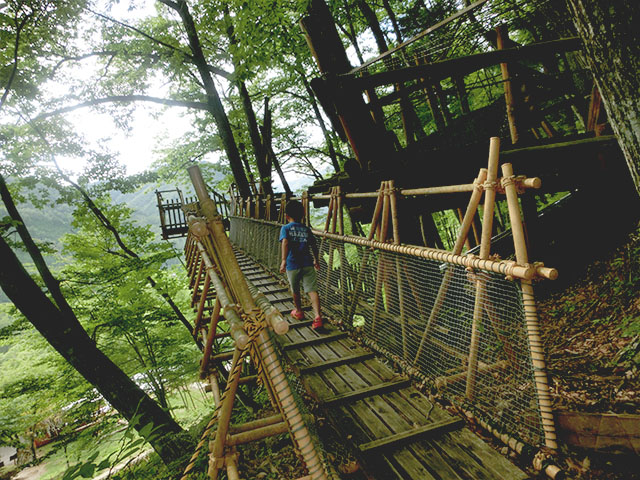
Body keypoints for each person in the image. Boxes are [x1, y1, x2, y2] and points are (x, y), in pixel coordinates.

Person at [279, 200, 324, 330]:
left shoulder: (285, 228)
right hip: (307, 263)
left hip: (292, 264)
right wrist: (316, 260)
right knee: (312, 290)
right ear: (302, 215)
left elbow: (285, 242)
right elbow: (314, 245)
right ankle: (317, 317)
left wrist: (283, 260)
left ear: (287, 216)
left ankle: (298, 311)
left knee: (295, 289)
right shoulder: (306, 229)